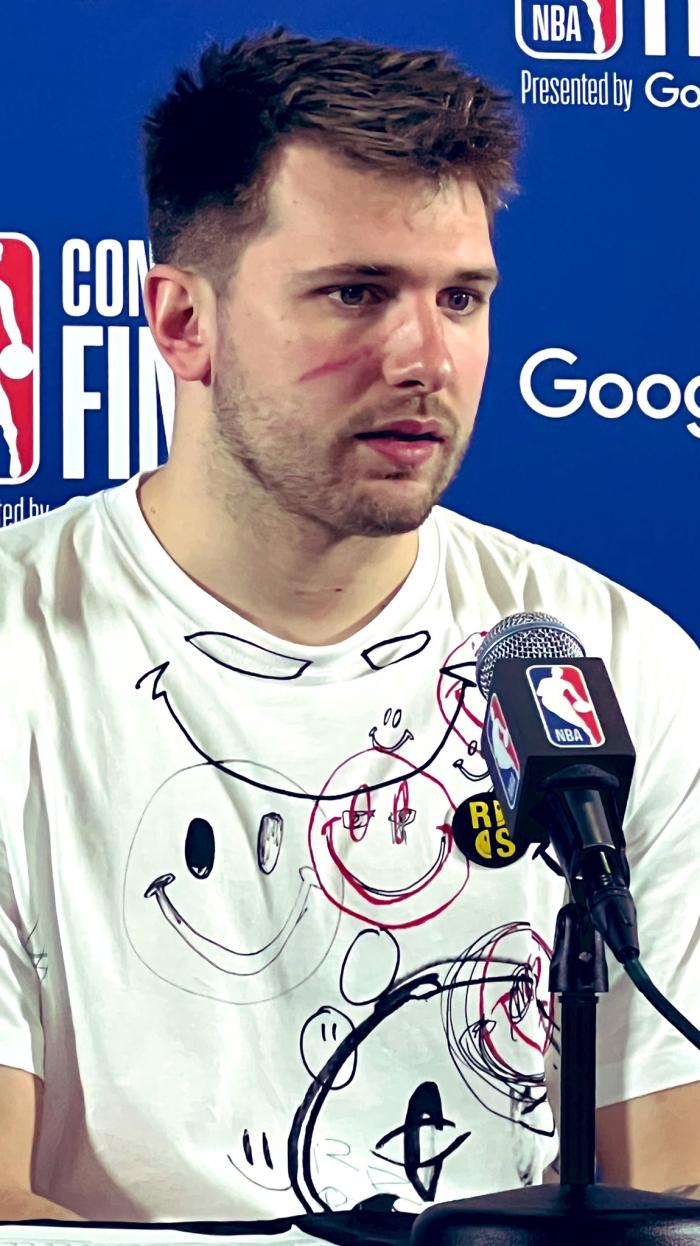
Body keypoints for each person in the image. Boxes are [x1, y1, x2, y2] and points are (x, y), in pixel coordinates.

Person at [0, 27, 698, 1229]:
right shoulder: (21, 648)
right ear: (184, 323)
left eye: (460, 298)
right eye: (355, 294)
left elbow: (662, 1189)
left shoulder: (613, 665)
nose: (426, 359)